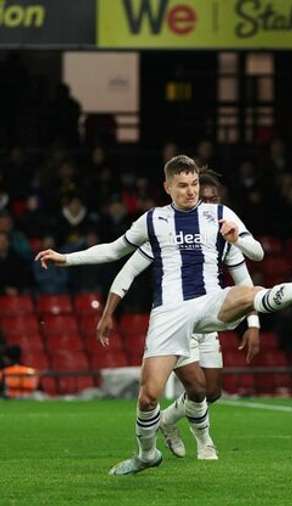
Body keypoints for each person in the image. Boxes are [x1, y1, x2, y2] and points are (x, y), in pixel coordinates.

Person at [34, 155, 292, 476]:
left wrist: (236, 238)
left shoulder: (219, 214)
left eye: (194, 184)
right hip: (169, 313)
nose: (191, 191)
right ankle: (147, 455)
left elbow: (258, 253)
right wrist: (65, 258)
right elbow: (114, 249)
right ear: (167, 187)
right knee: (149, 397)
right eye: (183, 186)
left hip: (209, 301)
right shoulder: (153, 220)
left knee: (248, 294)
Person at [95, 168, 261, 461]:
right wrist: (109, 311)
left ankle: (168, 421)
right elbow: (126, 268)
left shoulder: (224, 234)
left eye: (210, 197)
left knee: (211, 391)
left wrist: (253, 322)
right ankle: (204, 441)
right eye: (197, 192)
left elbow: (245, 281)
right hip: (176, 316)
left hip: (208, 317)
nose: (204, 202)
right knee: (196, 387)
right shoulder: (163, 231)